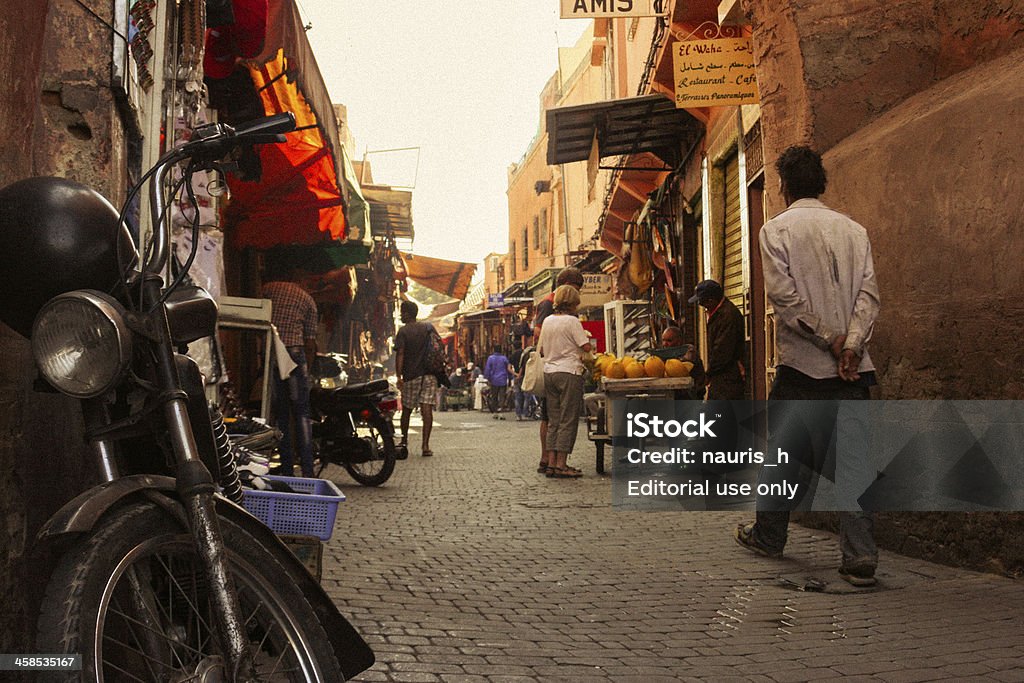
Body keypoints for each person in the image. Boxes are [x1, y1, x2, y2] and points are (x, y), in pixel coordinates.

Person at [734, 145, 881, 588]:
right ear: (821, 183)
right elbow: (868, 298)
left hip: (802, 367)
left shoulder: (775, 230)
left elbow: (784, 299)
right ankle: (860, 556)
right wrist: (851, 344)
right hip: (853, 369)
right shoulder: (855, 231)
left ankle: (769, 535)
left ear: (782, 186)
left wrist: (829, 339)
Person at [262, 270, 318, 477]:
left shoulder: (268, 289)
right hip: (295, 354)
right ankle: (308, 470)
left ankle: (286, 467)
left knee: (281, 414)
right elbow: (310, 343)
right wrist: (307, 371)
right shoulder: (307, 299)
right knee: (302, 413)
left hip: (273, 353)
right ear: (302, 280)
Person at [532, 267, 585, 472]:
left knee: (553, 418)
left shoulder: (548, 319)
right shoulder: (566, 317)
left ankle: (551, 461)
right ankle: (559, 463)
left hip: (550, 371)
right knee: (566, 419)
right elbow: (585, 346)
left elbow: (541, 342)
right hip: (568, 371)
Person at [689, 280, 746, 399]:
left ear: (711, 300)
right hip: (721, 377)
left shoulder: (727, 316)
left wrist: (709, 373)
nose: (701, 305)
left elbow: (722, 350)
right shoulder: (717, 313)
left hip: (728, 378)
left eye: (702, 302)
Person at [395, 300, 437, 457]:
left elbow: (400, 354)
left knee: (406, 409)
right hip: (430, 375)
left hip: (411, 375)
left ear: (407, 313)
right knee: (427, 409)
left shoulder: (403, 331)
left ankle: (404, 442)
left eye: (402, 311)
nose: (400, 315)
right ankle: (425, 446)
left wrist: (399, 376)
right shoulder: (428, 328)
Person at [659, 325, 707, 400]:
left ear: (679, 341)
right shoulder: (668, 354)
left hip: (692, 397)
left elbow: (681, 367)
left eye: (669, 341)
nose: (665, 344)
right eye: (663, 340)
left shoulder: (689, 350)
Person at [483, 345, 513, 416]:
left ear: (494, 350)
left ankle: (495, 409)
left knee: (494, 395)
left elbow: (488, 368)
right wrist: (510, 377)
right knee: (502, 395)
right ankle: (501, 408)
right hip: (503, 379)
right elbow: (508, 369)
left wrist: (487, 377)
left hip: (493, 380)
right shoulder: (504, 358)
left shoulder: (490, 358)